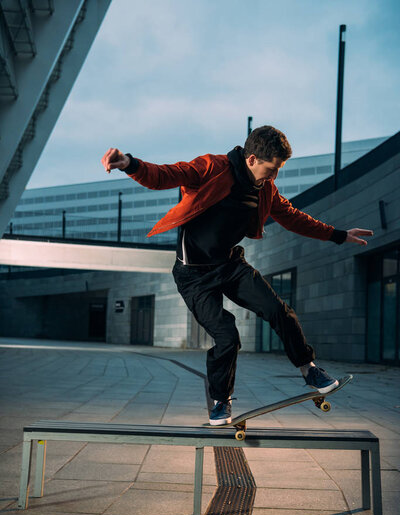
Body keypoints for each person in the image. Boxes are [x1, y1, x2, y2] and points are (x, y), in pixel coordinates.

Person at [101, 125, 373, 425]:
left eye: (278, 171)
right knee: (227, 336)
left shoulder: (266, 190)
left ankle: (309, 369)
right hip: (193, 276)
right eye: (271, 170)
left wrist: (338, 235)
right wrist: (129, 163)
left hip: (230, 266)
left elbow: (292, 217)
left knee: (278, 310)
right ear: (252, 159)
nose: (273, 178)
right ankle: (220, 400)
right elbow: (166, 175)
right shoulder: (211, 168)